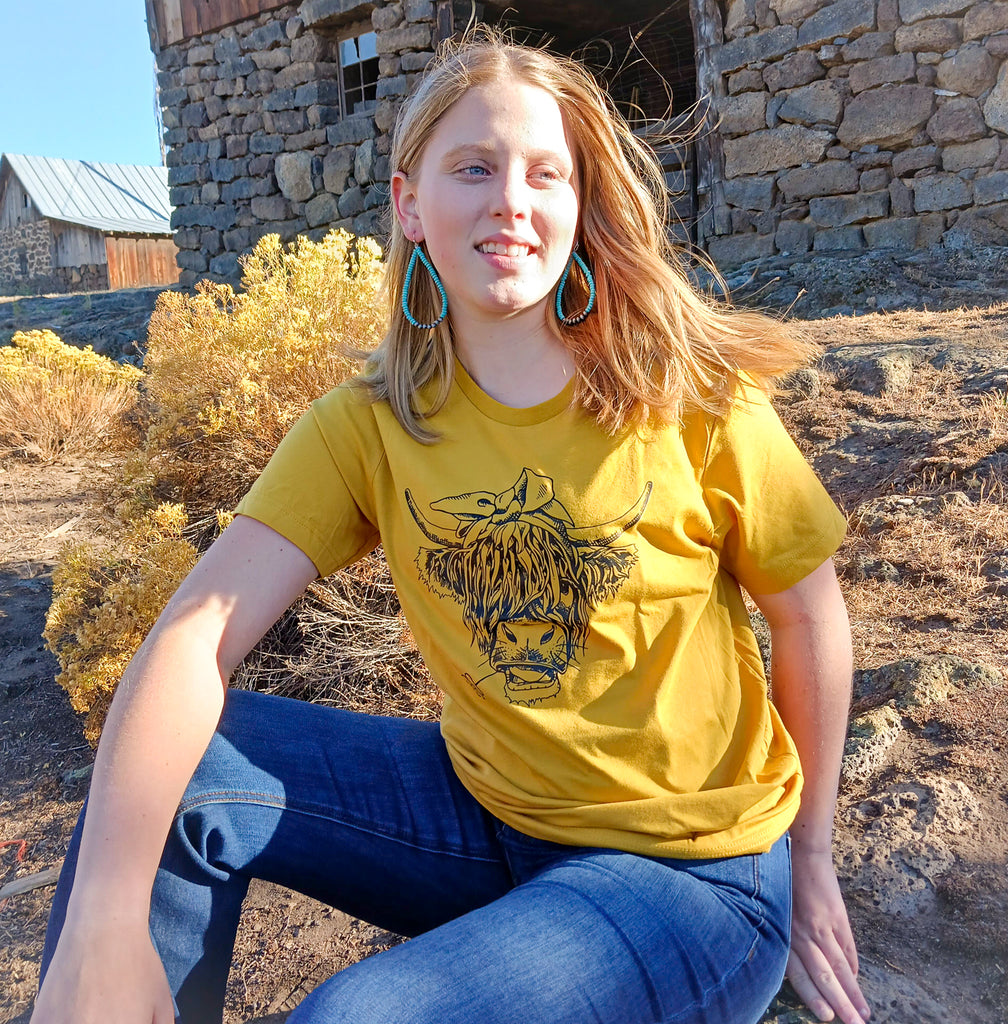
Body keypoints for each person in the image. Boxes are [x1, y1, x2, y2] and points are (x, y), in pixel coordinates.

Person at [32, 30, 871, 1024]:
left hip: (691, 879)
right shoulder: (370, 424)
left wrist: (809, 855)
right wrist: (100, 925)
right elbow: (190, 638)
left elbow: (811, 619)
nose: (510, 198)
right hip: (489, 817)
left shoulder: (692, 401)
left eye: (543, 174)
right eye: (473, 167)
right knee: (180, 772)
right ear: (409, 206)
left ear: (575, 208)